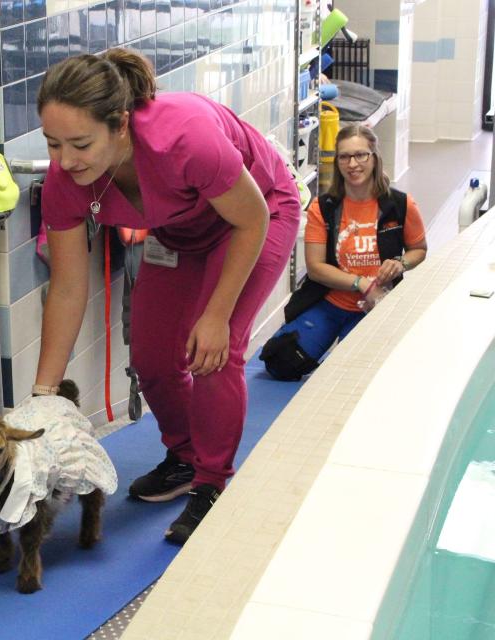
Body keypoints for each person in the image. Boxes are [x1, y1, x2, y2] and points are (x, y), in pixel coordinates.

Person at [32, 48, 302, 544]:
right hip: (178, 236)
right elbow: (69, 289)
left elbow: (252, 218)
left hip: (255, 217)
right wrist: (43, 398)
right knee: (153, 357)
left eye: (79, 144)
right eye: (52, 145)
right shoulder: (64, 182)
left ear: (120, 126)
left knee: (213, 354)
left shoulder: (183, 138)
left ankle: (213, 483)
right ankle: (184, 457)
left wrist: (217, 315)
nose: (65, 160)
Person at [260, 124, 427, 381]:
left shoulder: (401, 204)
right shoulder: (323, 207)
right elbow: (316, 268)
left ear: (374, 158)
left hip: (374, 308)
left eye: (361, 155)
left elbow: (419, 250)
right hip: (330, 303)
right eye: (345, 156)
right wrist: (362, 284)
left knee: (354, 378)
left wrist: (401, 263)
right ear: (337, 162)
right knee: (279, 364)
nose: (353, 164)